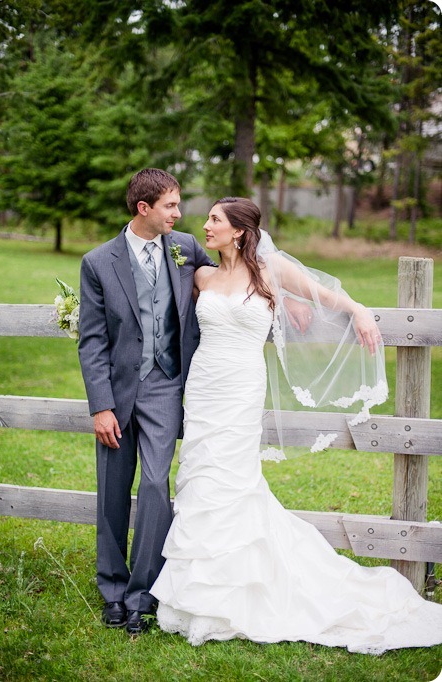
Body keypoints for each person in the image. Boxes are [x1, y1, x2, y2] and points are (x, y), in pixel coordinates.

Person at [150, 197, 442, 653]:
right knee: (200, 475)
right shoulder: (201, 276)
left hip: (241, 388)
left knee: (233, 479)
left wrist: (356, 310)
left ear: (240, 232)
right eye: (206, 218)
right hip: (204, 388)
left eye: (214, 219)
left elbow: (325, 295)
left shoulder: (269, 272)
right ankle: (199, 593)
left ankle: (241, 588)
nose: (204, 225)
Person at [77, 168, 215, 634]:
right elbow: (92, 340)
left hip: (165, 385)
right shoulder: (98, 262)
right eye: (171, 205)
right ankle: (113, 590)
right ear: (144, 209)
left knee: (156, 485)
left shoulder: (187, 249)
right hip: (116, 394)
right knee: (112, 493)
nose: (179, 213)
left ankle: (142, 595)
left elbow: (232, 276)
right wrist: (100, 406)